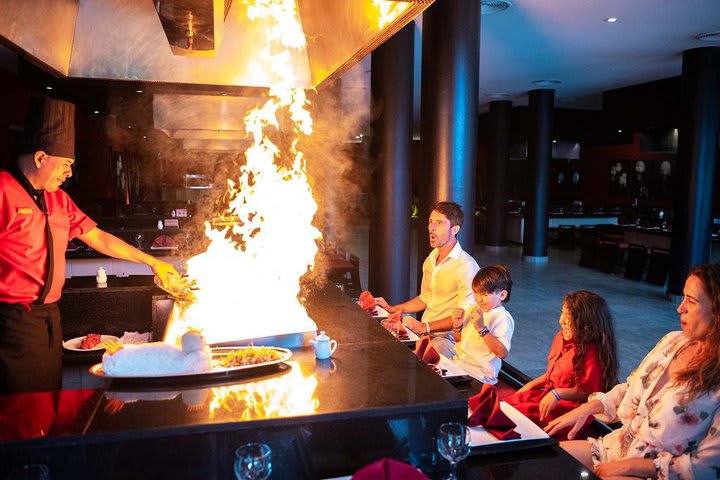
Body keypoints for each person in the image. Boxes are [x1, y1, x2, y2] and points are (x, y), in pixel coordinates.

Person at [0, 96, 180, 393]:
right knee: (21, 410)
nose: (69, 173)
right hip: (11, 321)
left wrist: (153, 262)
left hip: (49, 318)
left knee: (48, 397)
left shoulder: (57, 198)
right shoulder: (4, 191)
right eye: (66, 164)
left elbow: (98, 238)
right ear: (41, 158)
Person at [545, 265, 720, 479]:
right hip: (617, 448)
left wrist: (629, 467)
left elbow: (706, 468)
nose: (680, 308)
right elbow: (631, 386)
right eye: (683, 298)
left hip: (655, 472)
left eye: (691, 302)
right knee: (549, 459)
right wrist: (587, 408)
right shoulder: (673, 341)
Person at [502, 291, 618, 439]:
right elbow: (553, 375)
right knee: (502, 405)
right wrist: (530, 386)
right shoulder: (561, 336)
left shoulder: (592, 352)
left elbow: (588, 394)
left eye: (568, 317)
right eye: (562, 313)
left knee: (513, 420)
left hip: (569, 410)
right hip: (547, 397)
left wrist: (558, 393)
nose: (561, 321)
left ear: (587, 324)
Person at [373, 201, 479, 357]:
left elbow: (464, 317)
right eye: (430, 222)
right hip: (427, 334)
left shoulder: (467, 267)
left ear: (454, 229)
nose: (432, 228)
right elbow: (425, 298)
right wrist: (392, 309)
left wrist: (425, 327)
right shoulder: (431, 258)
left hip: (450, 340)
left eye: (439, 223)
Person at [450, 264, 514, 384]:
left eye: (484, 294)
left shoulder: (503, 318)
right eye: (476, 293)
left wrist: (481, 328)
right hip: (459, 365)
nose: (478, 299)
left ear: (502, 295)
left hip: (479, 375)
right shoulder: (475, 309)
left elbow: (502, 353)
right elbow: (460, 341)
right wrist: (457, 326)